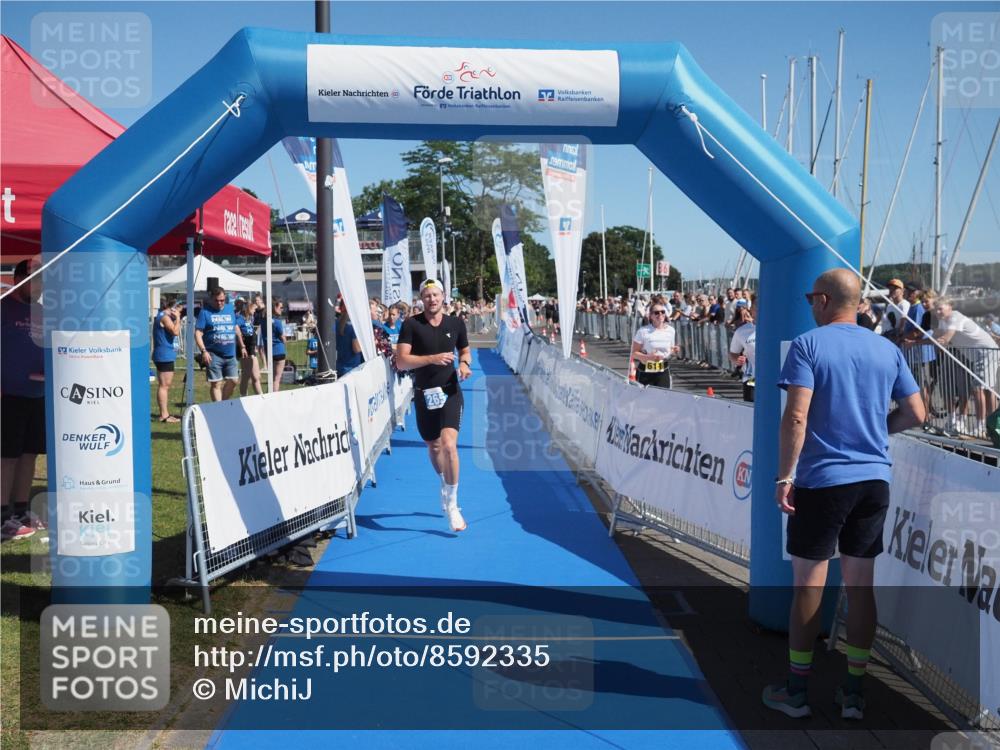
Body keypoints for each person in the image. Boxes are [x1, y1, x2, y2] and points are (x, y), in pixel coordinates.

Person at [763, 268, 924, 721]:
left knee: (808, 587)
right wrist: (877, 433)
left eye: (811, 297)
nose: (810, 304)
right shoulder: (886, 348)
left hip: (823, 481)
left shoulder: (809, 345)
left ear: (824, 300)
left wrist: (783, 476)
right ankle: (853, 693)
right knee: (861, 588)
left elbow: (796, 418)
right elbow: (916, 412)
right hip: (874, 480)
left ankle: (797, 691)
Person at [395, 279, 472, 532]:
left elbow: (465, 350)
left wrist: (464, 365)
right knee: (434, 445)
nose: (432, 300)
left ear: (444, 296)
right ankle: (444, 481)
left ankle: (452, 505)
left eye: (436, 295)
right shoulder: (411, 325)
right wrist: (432, 359)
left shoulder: (455, 323)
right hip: (424, 394)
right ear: (421, 299)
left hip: (450, 391)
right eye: (427, 296)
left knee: (449, 444)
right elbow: (402, 362)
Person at [1, 259, 47, 541]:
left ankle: (20, 510)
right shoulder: (3, 306)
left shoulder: (43, 311)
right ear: (19, 278)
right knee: (7, 457)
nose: (41, 287)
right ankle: (3, 515)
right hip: (9, 394)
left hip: (37, 392)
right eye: (36, 280)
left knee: (29, 454)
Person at [932, 297, 999, 434]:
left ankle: (982, 427)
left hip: (986, 353)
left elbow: (947, 337)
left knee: (979, 389)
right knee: (987, 389)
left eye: (940, 308)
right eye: (936, 309)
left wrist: (940, 340)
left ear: (950, 307)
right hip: (978, 356)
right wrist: (915, 342)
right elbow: (936, 335)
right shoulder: (942, 320)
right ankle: (991, 426)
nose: (937, 311)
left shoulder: (955, 317)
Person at [194, 286, 246, 402]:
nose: (219, 303)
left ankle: (222, 404)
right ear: (211, 299)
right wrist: (204, 351)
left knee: (234, 380)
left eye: (222, 300)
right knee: (216, 384)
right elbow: (198, 333)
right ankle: (218, 408)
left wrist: (242, 345)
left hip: (230, 353)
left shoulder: (229, 309)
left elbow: (235, 327)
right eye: (216, 300)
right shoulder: (205, 312)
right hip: (213, 354)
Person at [630, 302, 679, 388]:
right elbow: (633, 353)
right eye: (656, 312)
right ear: (651, 316)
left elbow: (670, 350)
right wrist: (648, 357)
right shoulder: (643, 331)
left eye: (662, 312)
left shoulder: (671, 330)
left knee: (664, 398)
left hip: (663, 369)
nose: (660, 314)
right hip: (646, 370)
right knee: (645, 399)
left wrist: (674, 350)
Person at [152, 297, 182, 422]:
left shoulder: (161, 316)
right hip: (164, 355)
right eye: (179, 310)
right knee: (164, 385)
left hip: (163, 354)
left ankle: (165, 414)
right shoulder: (164, 317)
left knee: (164, 385)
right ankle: (164, 415)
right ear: (173, 309)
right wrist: (178, 318)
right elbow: (175, 332)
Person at [235, 298, 263, 396]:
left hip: (251, 350)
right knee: (247, 375)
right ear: (248, 308)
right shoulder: (240, 318)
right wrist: (241, 342)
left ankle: (260, 396)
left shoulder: (249, 319)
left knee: (255, 376)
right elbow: (236, 327)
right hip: (245, 350)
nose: (255, 310)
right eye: (253, 308)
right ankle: (244, 397)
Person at [728, 304, 756, 402]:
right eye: (756, 306)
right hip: (752, 379)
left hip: (773, 378)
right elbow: (733, 353)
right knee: (751, 412)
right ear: (751, 310)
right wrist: (737, 360)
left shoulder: (776, 328)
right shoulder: (742, 331)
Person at [335, 299, 363, 378]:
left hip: (339, 366)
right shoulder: (353, 326)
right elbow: (356, 349)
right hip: (352, 368)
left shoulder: (336, 323)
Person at [270, 299, 288, 391]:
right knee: (276, 379)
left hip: (270, 351)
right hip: (279, 351)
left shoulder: (267, 320)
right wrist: (285, 342)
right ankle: (274, 398)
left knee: (272, 378)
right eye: (280, 307)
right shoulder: (277, 322)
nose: (282, 309)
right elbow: (283, 337)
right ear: (275, 307)